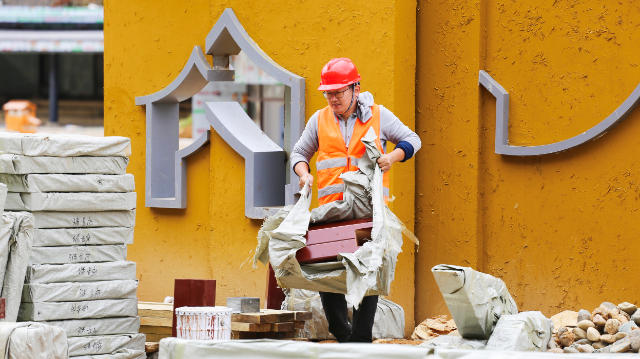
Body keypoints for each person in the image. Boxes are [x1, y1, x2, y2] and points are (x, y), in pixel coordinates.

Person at [290, 58, 421, 342]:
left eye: (338, 92)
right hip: (330, 212)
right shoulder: (319, 119)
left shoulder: (379, 115)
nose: (332, 98)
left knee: (367, 269)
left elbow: (412, 139)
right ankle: (341, 331)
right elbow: (299, 154)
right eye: (328, 93)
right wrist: (304, 174)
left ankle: (360, 337)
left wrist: (392, 157)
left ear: (355, 88)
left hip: (367, 212)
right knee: (328, 272)